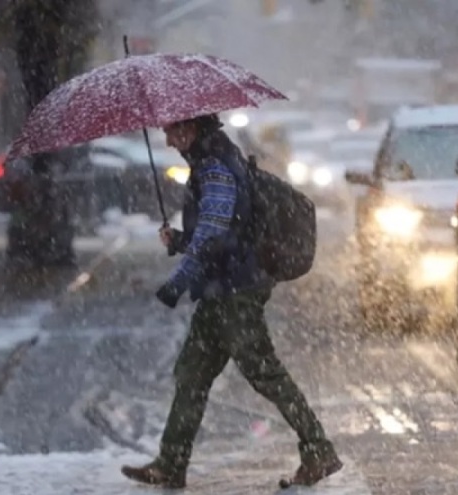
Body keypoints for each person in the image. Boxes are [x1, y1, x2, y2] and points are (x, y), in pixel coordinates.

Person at [120, 114, 342, 489]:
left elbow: (213, 234)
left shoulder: (215, 168)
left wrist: (177, 282)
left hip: (235, 293)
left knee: (265, 374)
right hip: (220, 291)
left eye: (173, 131)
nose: (169, 140)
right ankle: (171, 464)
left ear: (191, 128)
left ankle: (318, 449)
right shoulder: (213, 161)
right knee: (192, 374)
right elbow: (218, 231)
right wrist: (178, 240)